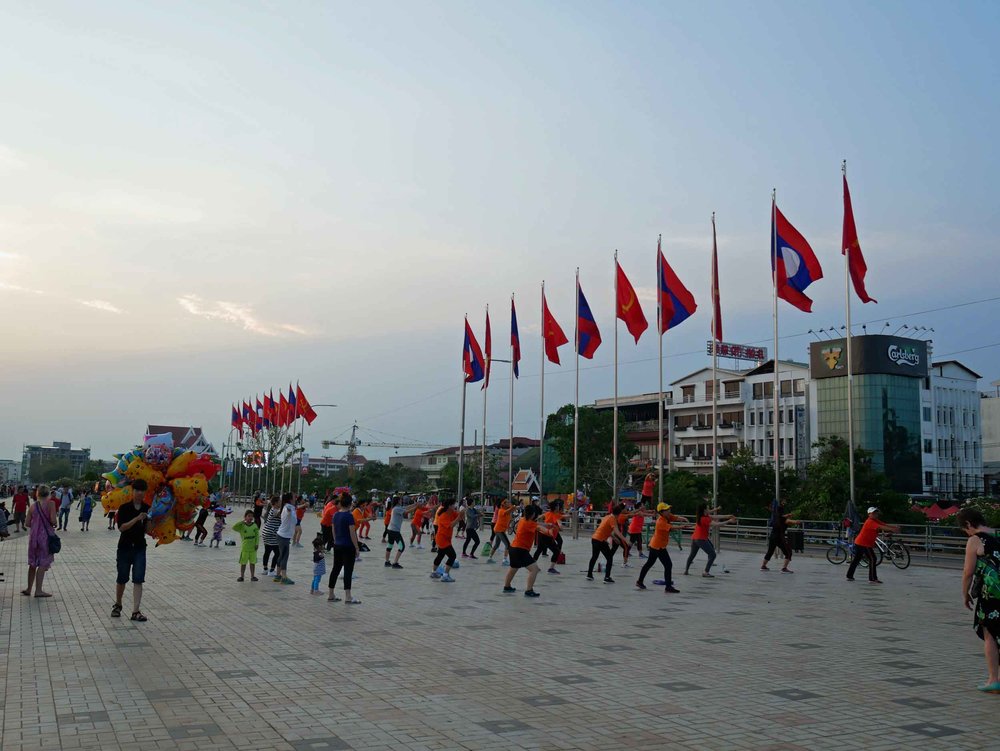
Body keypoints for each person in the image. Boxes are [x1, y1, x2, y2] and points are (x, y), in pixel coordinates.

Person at [957, 507, 1000, 692]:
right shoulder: (998, 534)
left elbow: (968, 572)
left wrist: (965, 593)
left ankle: (993, 680)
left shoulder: (975, 540)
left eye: (964, 529)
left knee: (990, 634)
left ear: (968, 524)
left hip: (991, 594)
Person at [112, 480, 151, 620]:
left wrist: (151, 521)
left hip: (140, 547)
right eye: (137, 490)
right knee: (122, 578)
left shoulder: (147, 508)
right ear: (132, 491)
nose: (140, 493)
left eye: (142, 490)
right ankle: (118, 604)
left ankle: (136, 611)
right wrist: (137, 519)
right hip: (124, 547)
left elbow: (148, 531)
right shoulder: (124, 508)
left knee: (138, 579)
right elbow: (122, 527)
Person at [503, 504, 553, 597]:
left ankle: (507, 586)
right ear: (533, 514)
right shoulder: (530, 524)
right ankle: (529, 590)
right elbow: (540, 528)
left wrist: (547, 524)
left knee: (513, 568)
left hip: (513, 548)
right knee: (534, 569)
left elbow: (537, 524)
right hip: (520, 550)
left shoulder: (522, 520)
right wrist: (550, 531)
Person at [636, 504, 688, 593]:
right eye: (666, 510)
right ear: (661, 512)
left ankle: (640, 581)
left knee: (649, 563)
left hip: (656, 545)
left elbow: (675, 518)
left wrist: (683, 519)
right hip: (658, 546)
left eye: (668, 509)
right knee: (668, 565)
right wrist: (682, 527)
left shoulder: (667, 517)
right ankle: (668, 587)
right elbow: (671, 528)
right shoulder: (660, 521)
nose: (669, 511)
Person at [846, 506, 899, 583]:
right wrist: (893, 529)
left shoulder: (875, 520)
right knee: (873, 559)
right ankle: (872, 578)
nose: (876, 514)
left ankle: (849, 576)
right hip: (863, 543)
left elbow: (884, 525)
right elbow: (882, 527)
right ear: (869, 514)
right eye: (874, 513)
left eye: (876, 513)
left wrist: (894, 527)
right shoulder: (870, 522)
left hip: (861, 542)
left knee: (857, 559)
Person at [22, 484, 57, 598]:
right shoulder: (51, 504)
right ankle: (38, 590)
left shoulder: (33, 506)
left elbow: (27, 523)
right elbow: (53, 520)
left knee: (32, 563)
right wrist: (53, 523)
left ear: (37, 493)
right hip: (45, 538)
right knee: (42, 563)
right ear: (48, 494)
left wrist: (36, 524)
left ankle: (28, 589)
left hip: (34, 538)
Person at [683, 504, 735, 578]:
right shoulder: (705, 518)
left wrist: (728, 516)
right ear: (704, 510)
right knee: (713, 555)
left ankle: (686, 571)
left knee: (693, 554)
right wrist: (729, 521)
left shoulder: (702, 516)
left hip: (695, 538)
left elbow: (717, 517)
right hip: (701, 539)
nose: (709, 509)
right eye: (708, 508)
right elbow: (717, 524)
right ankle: (706, 572)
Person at [328, 494, 361, 604]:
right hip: (348, 547)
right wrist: (357, 547)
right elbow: (352, 533)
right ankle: (348, 596)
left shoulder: (336, 515)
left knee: (335, 569)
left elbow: (333, 530)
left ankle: (331, 594)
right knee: (348, 570)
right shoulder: (349, 516)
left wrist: (336, 541)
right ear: (350, 503)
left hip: (337, 545)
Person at [587, 504, 630, 583]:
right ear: (618, 514)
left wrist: (614, 538)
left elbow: (606, 529)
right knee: (609, 557)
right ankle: (607, 577)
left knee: (594, 557)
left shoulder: (607, 517)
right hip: (600, 540)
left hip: (595, 538)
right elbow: (617, 531)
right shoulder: (613, 519)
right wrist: (625, 540)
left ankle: (589, 575)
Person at [761, 497, 798, 574]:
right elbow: (788, 520)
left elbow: (783, 516)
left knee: (770, 552)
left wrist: (788, 515)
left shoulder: (775, 517)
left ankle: (763, 566)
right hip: (779, 537)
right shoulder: (783, 519)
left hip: (772, 536)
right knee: (788, 552)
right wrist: (796, 521)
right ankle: (784, 568)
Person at [430, 498, 463, 583]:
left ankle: (434, 572)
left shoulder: (451, 512)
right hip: (442, 539)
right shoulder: (443, 515)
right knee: (452, 556)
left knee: (440, 555)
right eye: (453, 504)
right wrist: (459, 518)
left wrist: (463, 512)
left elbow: (459, 516)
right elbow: (451, 525)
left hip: (445, 539)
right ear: (449, 506)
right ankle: (445, 575)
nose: (455, 506)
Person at [533, 499, 565, 574]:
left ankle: (533, 565)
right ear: (555, 508)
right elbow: (559, 524)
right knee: (556, 551)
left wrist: (535, 519)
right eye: (557, 506)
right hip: (547, 535)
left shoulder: (547, 513)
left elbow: (540, 516)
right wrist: (560, 527)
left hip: (541, 533)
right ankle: (551, 569)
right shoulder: (555, 515)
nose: (558, 507)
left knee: (539, 549)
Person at [384, 497, 417, 569]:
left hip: (390, 530)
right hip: (394, 531)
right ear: (398, 501)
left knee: (390, 546)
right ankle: (395, 563)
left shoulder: (397, 508)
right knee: (402, 547)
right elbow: (406, 512)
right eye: (400, 499)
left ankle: (387, 562)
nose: (401, 500)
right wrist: (416, 507)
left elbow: (406, 507)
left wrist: (415, 504)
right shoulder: (397, 509)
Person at [274, 492, 296, 584]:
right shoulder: (288, 507)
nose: (295, 499)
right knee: (284, 557)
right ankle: (284, 577)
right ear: (290, 499)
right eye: (294, 497)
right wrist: (289, 512)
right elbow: (292, 517)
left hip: (282, 535)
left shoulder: (286, 507)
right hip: (284, 536)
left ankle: (278, 575)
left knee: (281, 556)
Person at [232, 509, 260, 582]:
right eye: (249, 516)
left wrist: (257, 543)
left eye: (252, 516)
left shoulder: (254, 525)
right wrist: (241, 522)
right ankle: (242, 576)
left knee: (252, 562)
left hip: (253, 547)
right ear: (245, 517)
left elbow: (257, 535)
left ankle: (252, 576)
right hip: (245, 547)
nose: (250, 518)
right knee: (243, 562)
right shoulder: (242, 526)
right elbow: (234, 527)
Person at [486, 499, 513, 566]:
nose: (509, 503)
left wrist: (508, 526)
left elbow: (510, 513)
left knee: (496, 545)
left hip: (500, 530)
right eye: (508, 502)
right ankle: (504, 560)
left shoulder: (507, 511)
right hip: (499, 530)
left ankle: (489, 558)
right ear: (503, 504)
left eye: (509, 502)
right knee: (508, 545)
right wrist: (513, 507)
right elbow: (508, 511)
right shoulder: (501, 510)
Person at [261, 496, 282, 576]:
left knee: (267, 551)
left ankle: (265, 569)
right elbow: (279, 514)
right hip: (271, 534)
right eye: (280, 501)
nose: (281, 503)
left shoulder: (272, 509)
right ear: (276, 503)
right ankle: (271, 570)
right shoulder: (274, 510)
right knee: (278, 553)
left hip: (267, 533)